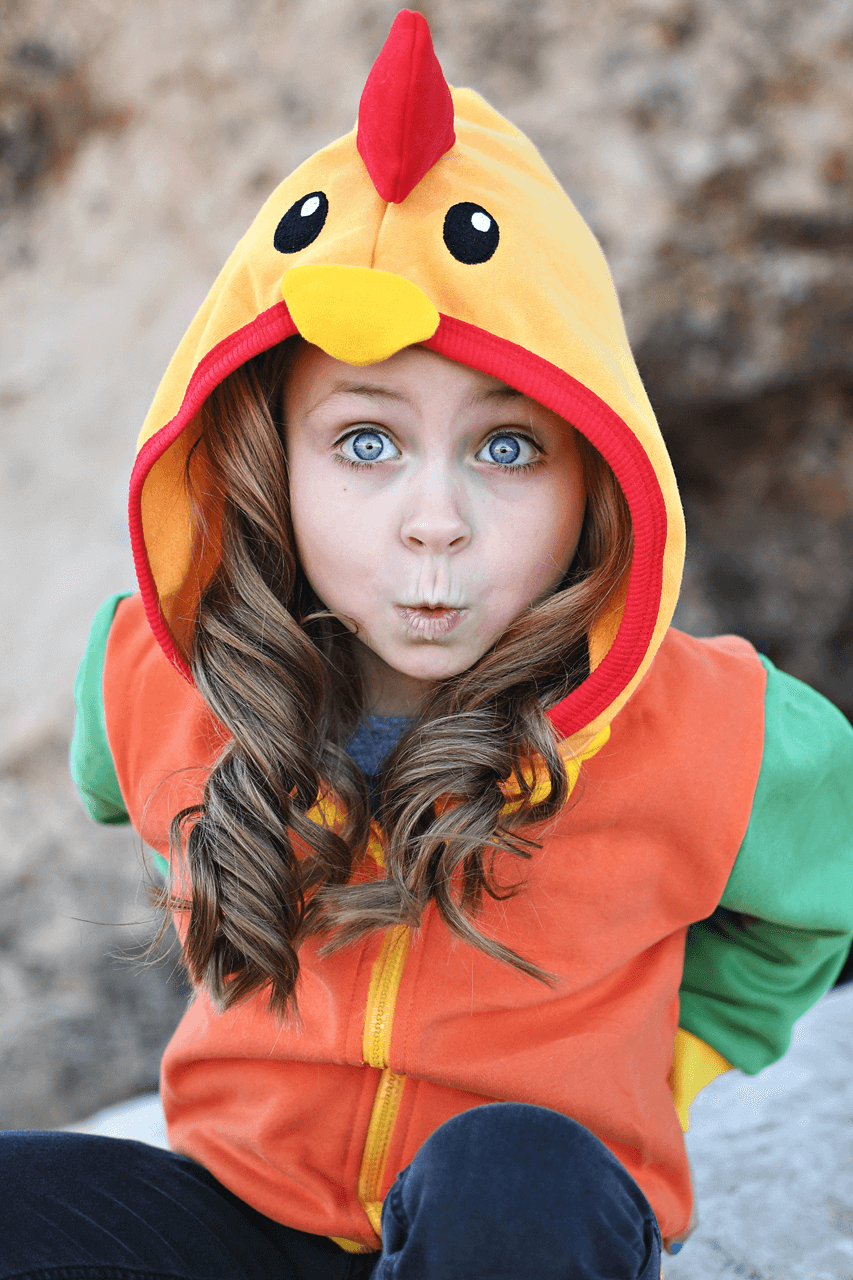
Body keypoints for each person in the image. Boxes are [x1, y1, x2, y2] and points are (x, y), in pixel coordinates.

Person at [2, 11, 851, 1280]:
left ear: (596, 473)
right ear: (266, 463)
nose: (435, 520)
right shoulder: (144, 674)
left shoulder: (718, 731)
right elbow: (119, 786)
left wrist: (676, 1052)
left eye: (507, 447)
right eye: (365, 442)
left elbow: (816, 901)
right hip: (243, 1211)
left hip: (514, 1224)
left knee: (510, 1167)